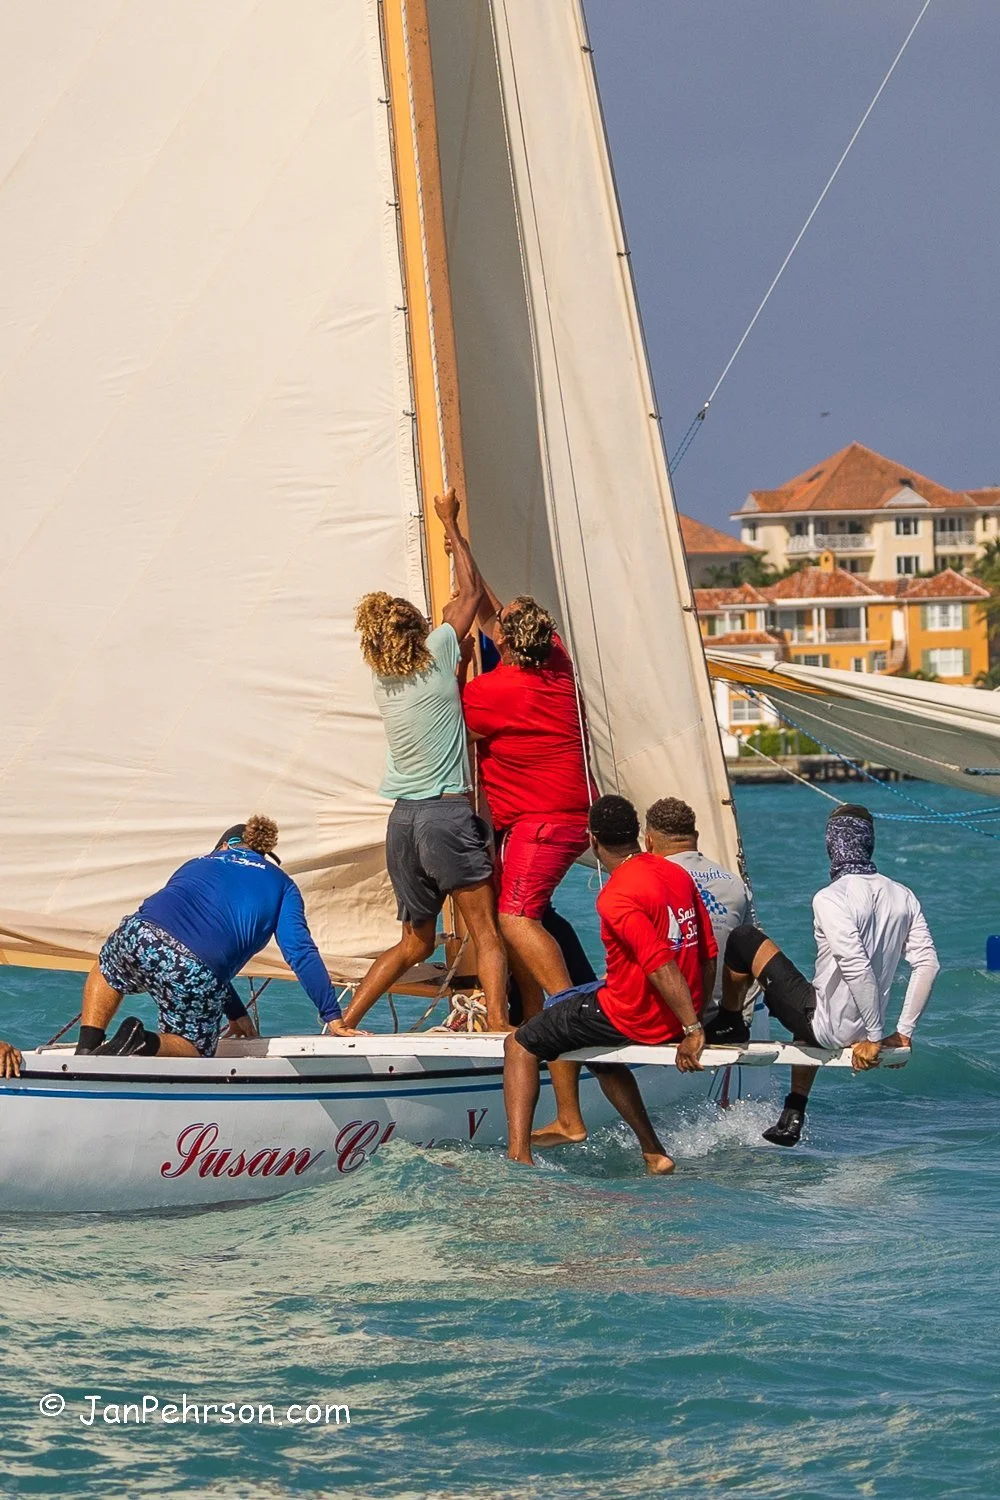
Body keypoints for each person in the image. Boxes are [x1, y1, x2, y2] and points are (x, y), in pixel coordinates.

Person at [342, 489, 508, 1031]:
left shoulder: (382, 679)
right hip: (444, 815)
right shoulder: (437, 650)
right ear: (419, 631)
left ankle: (346, 1020)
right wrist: (450, 522)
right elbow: (471, 593)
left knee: (414, 942)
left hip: (403, 822)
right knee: (488, 932)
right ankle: (501, 1024)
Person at [503, 795, 716, 1173]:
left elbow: (659, 964)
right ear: (640, 836)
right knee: (581, 1026)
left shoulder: (617, 895)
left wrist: (692, 1030)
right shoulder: (675, 873)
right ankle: (653, 1152)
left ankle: (519, 1156)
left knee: (521, 1043)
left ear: (593, 840)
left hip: (637, 1016)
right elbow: (708, 954)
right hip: (676, 1011)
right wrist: (694, 1014)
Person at [707, 803, 939, 1147]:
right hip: (860, 1027)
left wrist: (875, 1039)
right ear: (868, 843)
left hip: (837, 1028)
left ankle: (729, 1022)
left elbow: (855, 965)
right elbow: (928, 964)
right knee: (809, 995)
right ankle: (793, 1114)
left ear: (832, 845)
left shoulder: (831, 897)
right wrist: (903, 1032)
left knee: (745, 938)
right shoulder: (903, 895)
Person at [461, 581, 599, 1136]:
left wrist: (455, 663)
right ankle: (545, 1012)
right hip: (565, 817)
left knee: (515, 918)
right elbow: (499, 612)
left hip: (540, 825)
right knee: (530, 918)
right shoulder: (557, 662)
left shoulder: (491, 692)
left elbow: (448, 725)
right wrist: (461, 552)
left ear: (505, 643)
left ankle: (568, 1012)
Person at [76, 817, 357, 1057]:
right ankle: (141, 1042)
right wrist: (333, 1016)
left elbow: (182, 936)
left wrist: (235, 1012)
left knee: (108, 968)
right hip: (193, 967)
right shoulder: (283, 885)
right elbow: (299, 952)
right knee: (195, 1047)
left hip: (137, 933)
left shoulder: (195, 863)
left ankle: (87, 1048)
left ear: (224, 846)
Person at [644, 796, 750, 1019]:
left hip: (670, 1020)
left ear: (649, 841)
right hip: (725, 1015)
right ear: (696, 837)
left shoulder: (646, 882)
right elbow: (748, 954)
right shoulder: (734, 883)